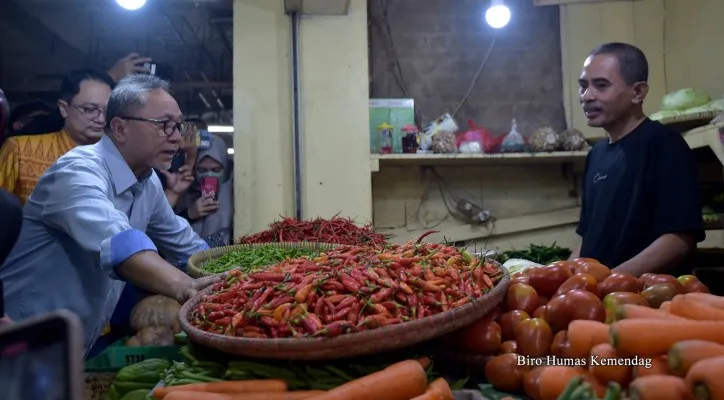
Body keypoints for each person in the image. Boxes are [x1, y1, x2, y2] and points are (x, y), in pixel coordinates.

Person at [0, 74, 218, 355]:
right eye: (164, 125)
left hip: (70, 341)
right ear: (120, 128)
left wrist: (240, 274)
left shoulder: (147, 180)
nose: (176, 137)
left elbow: (183, 242)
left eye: (178, 126)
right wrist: (185, 287)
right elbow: (119, 243)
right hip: (19, 340)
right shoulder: (77, 171)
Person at [570, 42, 704, 276]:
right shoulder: (596, 154)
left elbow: (679, 240)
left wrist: (610, 284)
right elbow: (587, 237)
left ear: (638, 92)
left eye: (601, 86)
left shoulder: (664, 145)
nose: (587, 96)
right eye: (583, 86)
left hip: (646, 302)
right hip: (598, 302)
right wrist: (562, 279)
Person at [0, 68, 115, 204]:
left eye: (107, 111)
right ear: (63, 108)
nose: (101, 119)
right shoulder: (20, 150)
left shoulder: (119, 160)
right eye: (90, 110)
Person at [178, 134, 234, 248]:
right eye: (202, 170)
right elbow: (163, 229)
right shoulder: (181, 191)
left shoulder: (235, 195)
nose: (209, 175)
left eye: (216, 170)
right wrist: (188, 214)